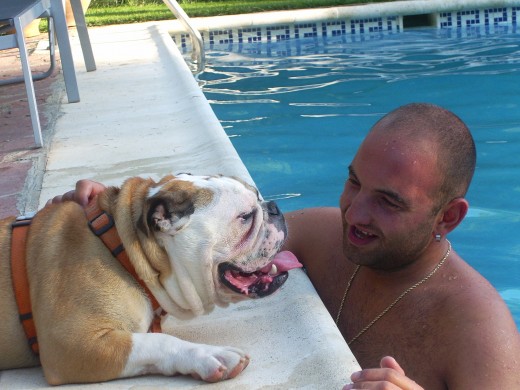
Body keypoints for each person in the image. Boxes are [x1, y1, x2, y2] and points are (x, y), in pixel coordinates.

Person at [49, 103, 520, 389]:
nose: (354, 213)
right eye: (354, 182)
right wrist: (114, 212)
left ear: (449, 217)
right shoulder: (323, 233)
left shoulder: (482, 336)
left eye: (389, 203)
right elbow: (208, 235)